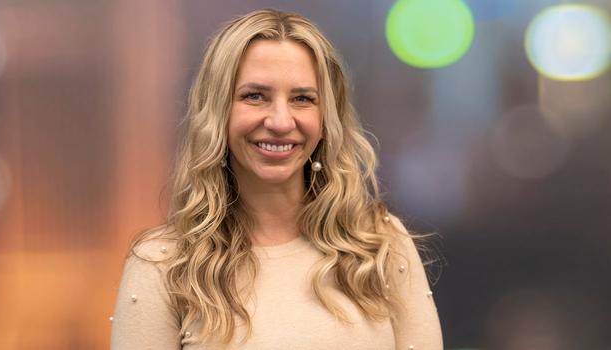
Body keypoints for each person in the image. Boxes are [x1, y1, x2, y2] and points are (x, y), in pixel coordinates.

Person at [110, 8, 442, 350]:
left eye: (302, 99)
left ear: (327, 118)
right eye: (255, 96)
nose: (281, 121)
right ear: (217, 112)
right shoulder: (162, 264)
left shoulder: (382, 246)